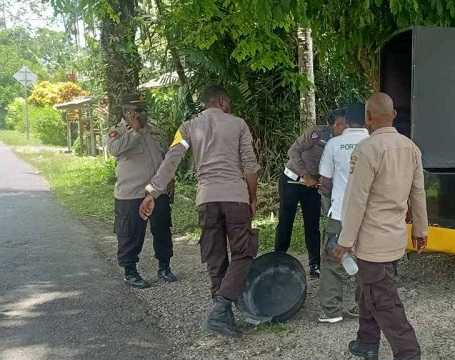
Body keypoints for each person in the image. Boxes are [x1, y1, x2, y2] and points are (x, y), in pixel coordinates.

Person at [139, 85, 260, 338]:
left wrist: (152, 192)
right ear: (221, 101)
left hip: (206, 198)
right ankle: (222, 308)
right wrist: (252, 198)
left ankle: (221, 315)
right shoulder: (238, 124)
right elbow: (249, 166)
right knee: (243, 252)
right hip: (235, 197)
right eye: (228, 102)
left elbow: (171, 160)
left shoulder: (187, 127)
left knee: (215, 255)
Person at [334, 93, 428, 360]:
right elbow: (418, 193)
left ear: (368, 118)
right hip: (394, 238)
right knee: (367, 291)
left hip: (372, 242)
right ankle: (367, 343)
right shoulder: (411, 148)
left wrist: (345, 240)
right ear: (394, 115)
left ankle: (408, 356)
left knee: (383, 300)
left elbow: (356, 199)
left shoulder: (367, 150)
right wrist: (420, 230)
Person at [107, 97, 176, 289]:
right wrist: (135, 131)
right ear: (127, 113)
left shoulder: (154, 129)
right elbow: (113, 150)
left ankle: (164, 267)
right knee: (130, 233)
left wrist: (169, 178)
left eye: (143, 110)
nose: (141, 114)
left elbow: (164, 154)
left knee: (162, 229)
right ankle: (130, 271)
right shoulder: (118, 132)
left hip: (156, 191)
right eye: (137, 110)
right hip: (131, 194)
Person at [318, 103, 369, 324]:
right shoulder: (374, 144)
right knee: (369, 260)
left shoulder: (334, 144)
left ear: (346, 122)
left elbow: (325, 182)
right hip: (369, 215)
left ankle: (332, 312)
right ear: (368, 120)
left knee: (332, 261)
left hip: (340, 213)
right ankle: (365, 307)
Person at [274, 114, 334, 279]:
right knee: (286, 222)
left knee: (312, 225)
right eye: (338, 124)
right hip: (291, 181)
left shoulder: (339, 141)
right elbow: (293, 151)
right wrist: (305, 174)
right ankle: (277, 261)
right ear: (331, 123)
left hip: (312, 186)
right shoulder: (316, 133)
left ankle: (315, 265)